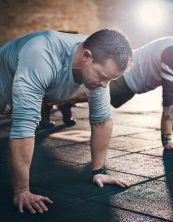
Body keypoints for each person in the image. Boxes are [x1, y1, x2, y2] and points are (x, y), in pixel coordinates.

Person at [0, 29, 132, 214]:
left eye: (110, 79)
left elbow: (101, 120)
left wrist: (99, 171)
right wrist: (22, 191)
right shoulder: (42, 53)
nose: (104, 85)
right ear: (86, 56)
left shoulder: (96, 61)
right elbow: (24, 126)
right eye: (102, 77)